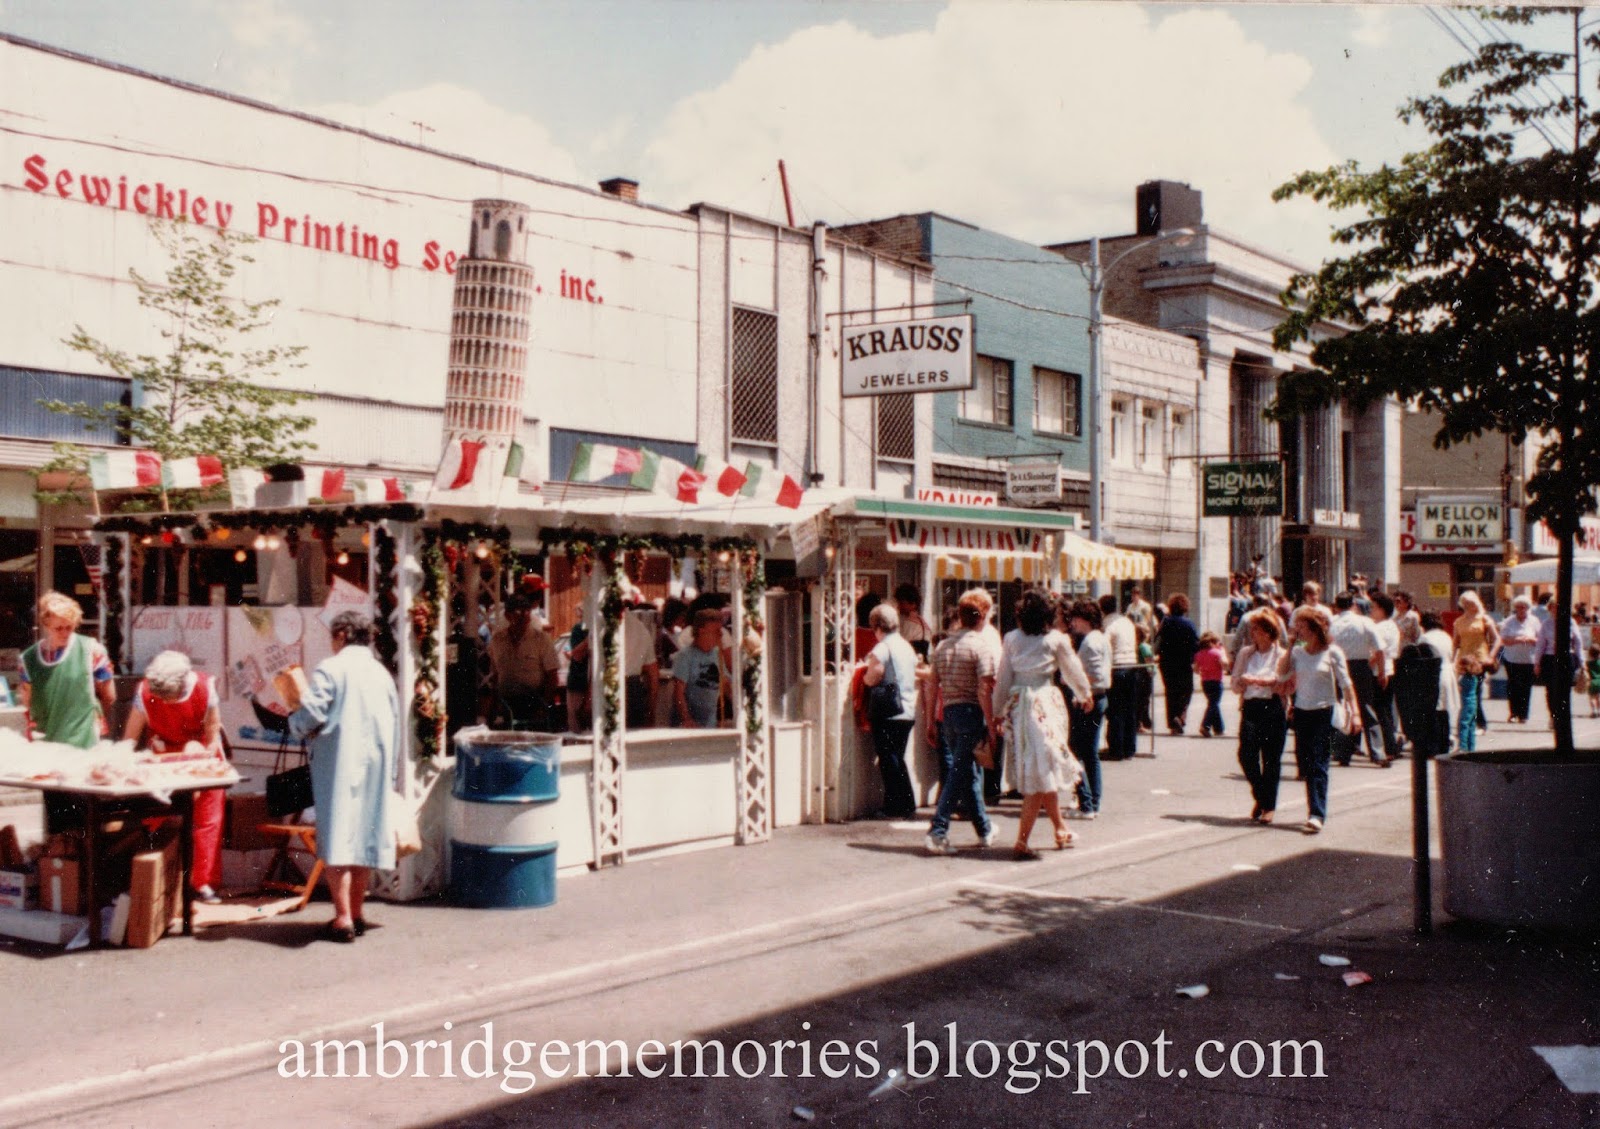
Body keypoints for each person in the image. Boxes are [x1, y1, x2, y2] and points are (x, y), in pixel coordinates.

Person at [284, 611, 399, 943]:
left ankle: (343, 917)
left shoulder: (331, 669)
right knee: (363, 839)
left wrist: (295, 720)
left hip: (339, 765)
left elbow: (312, 713)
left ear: (343, 635)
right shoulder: (381, 673)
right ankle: (358, 912)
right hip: (375, 766)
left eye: (334, 636)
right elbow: (393, 723)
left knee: (338, 841)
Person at [123, 650, 228, 904]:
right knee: (155, 814)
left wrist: (199, 762)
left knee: (208, 818)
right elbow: (129, 739)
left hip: (200, 753)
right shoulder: (144, 693)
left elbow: (212, 734)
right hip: (164, 753)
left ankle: (201, 884)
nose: (167, 703)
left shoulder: (204, 687)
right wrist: (126, 761)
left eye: (171, 697)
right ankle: (150, 875)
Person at [994, 589, 1091, 859]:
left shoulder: (1011, 638)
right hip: (1045, 704)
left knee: (1039, 767)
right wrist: (1085, 693)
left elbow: (1004, 678)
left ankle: (1060, 828)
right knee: (1042, 769)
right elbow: (1073, 669)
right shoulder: (1056, 639)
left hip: (1020, 707)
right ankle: (1022, 841)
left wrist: (997, 711)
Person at [20, 591, 117, 834]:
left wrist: (92, 715)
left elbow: (110, 695)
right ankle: (62, 865)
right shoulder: (29, 659)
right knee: (57, 818)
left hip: (83, 743)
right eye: (58, 628)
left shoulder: (91, 650)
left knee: (83, 814)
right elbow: (27, 702)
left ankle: (82, 866)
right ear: (45, 625)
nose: (64, 633)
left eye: (69, 627)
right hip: (48, 747)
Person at [924, 592, 998, 855]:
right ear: (981, 618)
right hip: (970, 713)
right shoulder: (981, 647)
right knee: (959, 773)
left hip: (949, 714)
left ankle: (984, 828)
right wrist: (990, 724)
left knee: (963, 772)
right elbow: (984, 690)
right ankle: (938, 830)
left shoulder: (943, 647)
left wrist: (931, 719)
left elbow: (932, 685)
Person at [1279, 605, 1360, 835]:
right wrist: (1291, 645)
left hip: (1324, 712)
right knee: (1305, 763)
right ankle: (1314, 808)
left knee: (1318, 762)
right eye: (1297, 628)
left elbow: (1346, 684)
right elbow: (1282, 674)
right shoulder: (1297, 653)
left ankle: (1316, 813)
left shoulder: (1332, 652)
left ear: (1315, 629)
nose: (1299, 631)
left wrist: (1354, 712)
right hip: (1302, 712)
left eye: (1302, 628)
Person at [861, 603, 919, 820]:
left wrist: (865, 680)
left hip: (888, 711)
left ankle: (898, 805)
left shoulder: (882, 648)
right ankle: (904, 803)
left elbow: (874, 675)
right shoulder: (905, 646)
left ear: (877, 626)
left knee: (889, 759)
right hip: (907, 709)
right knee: (896, 757)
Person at [1231, 609, 1289, 823]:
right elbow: (1235, 682)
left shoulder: (1282, 654)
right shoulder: (1246, 653)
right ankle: (1262, 795)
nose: (1252, 633)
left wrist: (1258, 681)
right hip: (1251, 706)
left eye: (1256, 629)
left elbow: (1282, 682)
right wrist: (1241, 682)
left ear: (1268, 632)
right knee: (1246, 754)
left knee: (1271, 758)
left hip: (1273, 707)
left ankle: (1268, 807)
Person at [1329, 591, 1389, 767]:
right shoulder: (1365, 622)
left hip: (1336, 666)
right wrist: (1382, 672)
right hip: (1361, 667)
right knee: (1366, 707)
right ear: (1353, 604)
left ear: (1336, 606)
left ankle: (1341, 752)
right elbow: (1380, 649)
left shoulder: (1331, 623)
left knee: (1342, 707)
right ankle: (1378, 752)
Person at [485, 592, 560, 729]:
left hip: (535, 703)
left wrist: (544, 705)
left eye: (527, 611)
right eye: (518, 611)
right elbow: (495, 675)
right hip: (506, 705)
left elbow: (552, 676)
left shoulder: (542, 640)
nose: (524, 616)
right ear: (507, 615)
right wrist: (493, 708)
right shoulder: (497, 640)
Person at [1065, 599, 1110, 819]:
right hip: (1099, 697)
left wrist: (1072, 680)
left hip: (1087, 699)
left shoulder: (1090, 642)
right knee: (1090, 753)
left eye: (1075, 619)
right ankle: (1094, 800)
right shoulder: (1100, 638)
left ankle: (1086, 802)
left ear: (1084, 619)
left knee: (1077, 751)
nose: (1073, 623)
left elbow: (1095, 675)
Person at [1451, 591, 1499, 753]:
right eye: (1465, 603)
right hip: (1464, 661)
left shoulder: (1484, 619)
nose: (1469, 606)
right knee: (1469, 694)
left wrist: (1491, 656)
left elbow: (1497, 639)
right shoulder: (1459, 622)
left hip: (1479, 659)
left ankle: (1475, 726)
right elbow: (1456, 642)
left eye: (1471, 603)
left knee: (1473, 694)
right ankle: (1472, 729)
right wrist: (1452, 660)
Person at [672, 609, 730, 728]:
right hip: (690, 724)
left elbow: (725, 684)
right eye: (716, 631)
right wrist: (686, 719)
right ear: (702, 631)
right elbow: (678, 692)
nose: (720, 635)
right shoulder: (685, 656)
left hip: (710, 724)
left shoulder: (717, 654)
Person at [1101, 594, 1140, 761]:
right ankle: (1129, 748)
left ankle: (1116, 748)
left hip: (1117, 667)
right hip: (1132, 665)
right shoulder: (1127, 621)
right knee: (1129, 709)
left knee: (1115, 710)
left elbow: (1104, 645)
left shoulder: (1107, 624)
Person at [1417, 611, 1462, 755]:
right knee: (1444, 712)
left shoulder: (1425, 638)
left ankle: (1433, 746)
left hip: (1433, 675)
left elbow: (1422, 658)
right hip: (1448, 673)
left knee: (1433, 712)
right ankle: (1444, 745)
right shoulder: (1446, 636)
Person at [1155, 593, 1199, 735]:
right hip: (1184, 662)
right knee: (1187, 690)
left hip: (1166, 662)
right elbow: (1195, 643)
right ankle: (1180, 716)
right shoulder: (1189, 624)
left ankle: (1173, 721)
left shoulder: (1165, 622)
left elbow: (1158, 640)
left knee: (1171, 691)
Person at [1533, 609, 1584, 728]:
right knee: (1551, 690)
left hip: (1567, 658)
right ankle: (1553, 716)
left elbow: (1578, 643)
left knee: (1565, 689)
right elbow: (1540, 644)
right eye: (1553, 608)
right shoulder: (1546, 624)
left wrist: (1582, 662)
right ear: (1550, 609)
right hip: (1550, 658)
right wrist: (1537, 663)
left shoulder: (1571, 622)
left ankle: (1563, 717)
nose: (1556, 611)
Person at [1368, 593, 1404, 761]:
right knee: (1387, 710)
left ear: (1382, 609)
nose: (1371, 611)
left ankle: (1389, 745)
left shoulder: (1380, 628)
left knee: (1380, 711)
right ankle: (1392, 743)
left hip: (1379, 671)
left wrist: (1369, 666)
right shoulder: (1392, 626)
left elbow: (1377, 652)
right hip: (1391, 668)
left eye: (1373, 607)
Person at [1498, 595, 1540, 725]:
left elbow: (1540, 640)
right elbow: (1503, 640)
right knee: (1513, 686)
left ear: (1528, 608)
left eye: (1524, 607)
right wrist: (1517, 640)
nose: (1521, 610)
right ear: (1515, 608)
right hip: (1512, 659)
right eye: (1518, 607)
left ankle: (1523, 715)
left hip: (1529, 660)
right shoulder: (1509, 621)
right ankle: (1513, 713)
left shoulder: (1534, 621)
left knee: (1526, 688)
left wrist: (1531, 640)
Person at [1193, 631, 1229, 738]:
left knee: (1213, 703)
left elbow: (1195, 669)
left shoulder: (1199, 654)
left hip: (1205, 682)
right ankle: (1205, 725)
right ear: (1213, 642)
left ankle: (1219, 728)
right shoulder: (1217, 653)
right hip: (1216, 681)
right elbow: (1225, 665)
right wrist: (1223, 652)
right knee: (1214, 704)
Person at [894, 584, 933, 660]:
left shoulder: (909, 623)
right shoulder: (923, 623)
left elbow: (899, 645)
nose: (899, 606)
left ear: (913, 604)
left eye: (902, 603)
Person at [1587, 644, 1600, 718]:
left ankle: (1593, 711)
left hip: (1591, 682)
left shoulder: (1588, 664)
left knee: (1591, 697)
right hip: (1599, 681)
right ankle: (1599, 711)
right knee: (1598, 697)